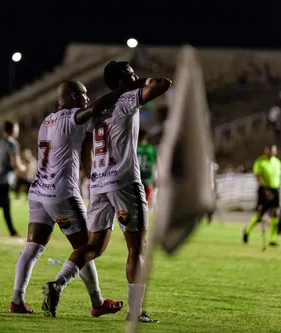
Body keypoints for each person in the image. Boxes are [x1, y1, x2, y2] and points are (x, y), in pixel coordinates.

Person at [42, 61, 171, 323]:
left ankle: (58, 284)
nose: (137, 77)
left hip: (100, 186)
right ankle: (135, 312)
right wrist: (135, 84)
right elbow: (163, 84)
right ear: (123, 79)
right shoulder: (126, 100)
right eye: (132, 73)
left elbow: (87, 146)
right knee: (136, 247)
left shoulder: (98, 113)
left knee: (93, 246)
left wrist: (92, 175)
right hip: (124, 183)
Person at [10, 80, 128, 316]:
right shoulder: (71, 117)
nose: (87, 97)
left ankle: (17, 301)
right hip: (61, 193)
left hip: (39, 191)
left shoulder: (47, 120)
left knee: (32, 248)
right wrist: (120, 91)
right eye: (84, 93)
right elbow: (93, 109)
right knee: (85, 248)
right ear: (73, 95)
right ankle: (96, 303)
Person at [243, 144, 281, 247]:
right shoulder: (260, 161)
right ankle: (247, 231)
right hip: (264, 189)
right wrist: (265, 190)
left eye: (273, 150)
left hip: (275, 189)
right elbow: (258, 177)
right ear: (265, 151)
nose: (271, 152)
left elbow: (278, 176)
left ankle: (273, 239)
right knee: (261, 214)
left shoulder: (277, 162)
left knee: (276, 213)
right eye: (269, 150)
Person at [136, 129, 157, 205]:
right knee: (145, 204)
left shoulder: (134, 148)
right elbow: (156, 164)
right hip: (148, 179)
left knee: (136, 204)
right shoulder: (151, 149)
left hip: (135, 179)